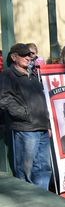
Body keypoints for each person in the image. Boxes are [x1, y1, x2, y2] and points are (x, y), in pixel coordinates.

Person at [0, 43, 53, 190]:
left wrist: (47, 124)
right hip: (26, 129)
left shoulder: (33, 76)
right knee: (25, 169)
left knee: (43, 167)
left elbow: (42, 101)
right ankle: (26, 200)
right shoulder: (7, 75)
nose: (27, 58)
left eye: (29, 55)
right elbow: (4, 100)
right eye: (23, 55)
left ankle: (43, 198)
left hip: (41, 127)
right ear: (14, 57)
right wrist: (25, 114)